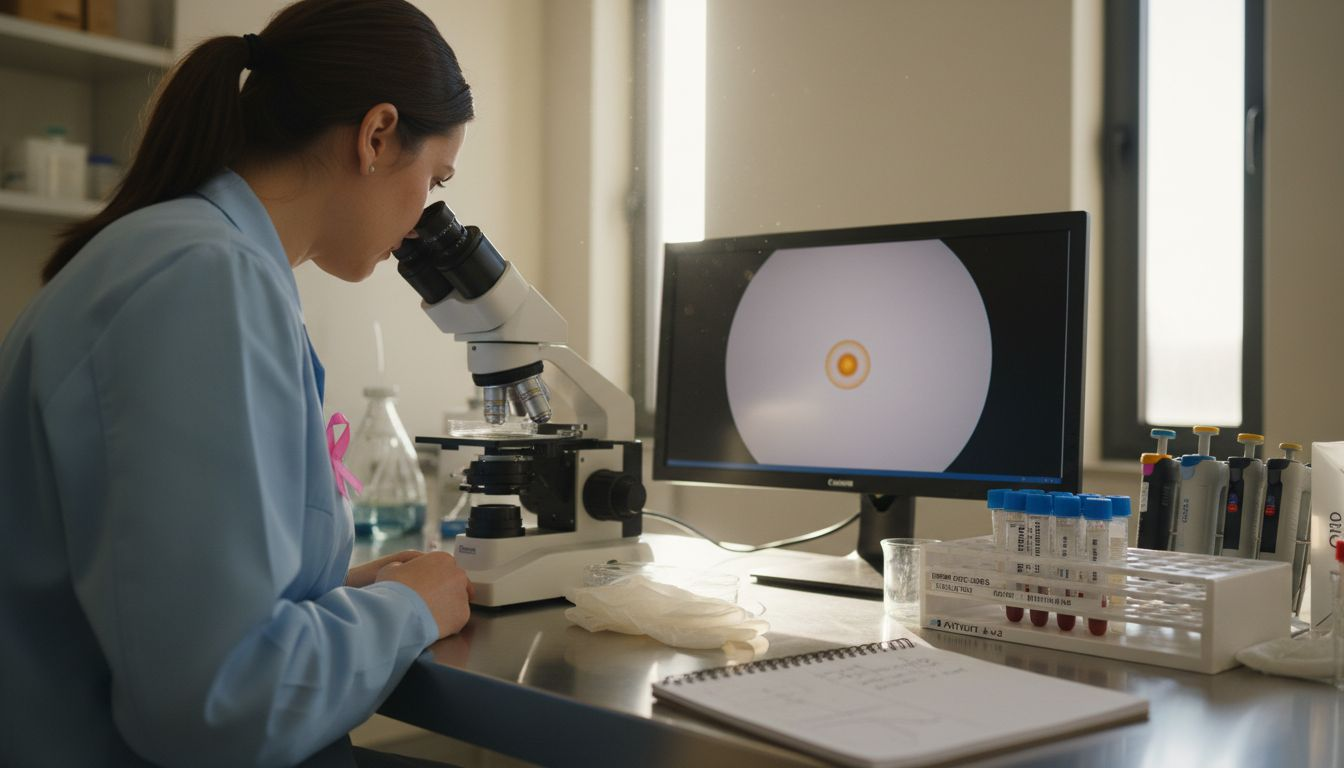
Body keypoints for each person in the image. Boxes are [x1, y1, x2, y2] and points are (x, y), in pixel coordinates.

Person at [0, 1, 477, 765]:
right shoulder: (203, 280)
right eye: (435, 177)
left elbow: (169, 593)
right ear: (378, 135)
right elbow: (219, 702)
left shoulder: (192, 255)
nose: (425, 216)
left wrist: (344, 590)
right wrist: (407, 611)